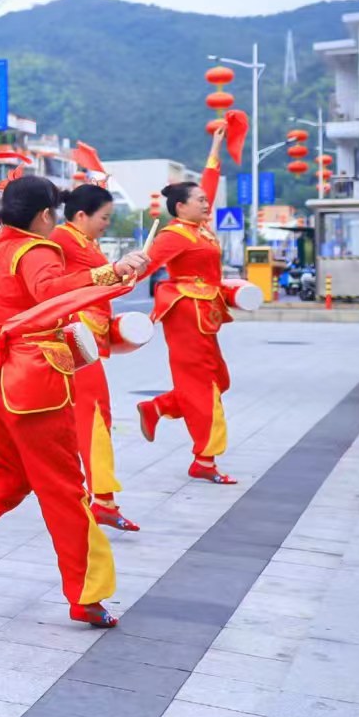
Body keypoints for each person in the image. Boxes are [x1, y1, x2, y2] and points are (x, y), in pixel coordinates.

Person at [0, 175, 134, 627]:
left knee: (9, 469)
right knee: (63, 488)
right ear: (44, 215)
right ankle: (86, 593)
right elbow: (50, 292)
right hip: (31, 381)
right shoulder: (36, 250)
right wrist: (110, 272)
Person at [137, 127, 237, 482]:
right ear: (181, 207)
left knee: (218, 380)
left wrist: (215, 144)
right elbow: (141, 268)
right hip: (184, 314)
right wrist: (99, 284)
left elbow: (208, 183)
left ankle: (159, 406)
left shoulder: (202, 229)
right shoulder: (173, 235)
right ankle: (205, 459)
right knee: (203, 386)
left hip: (207, 313)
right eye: (200, 202)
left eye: (205, 202)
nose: (206, 203)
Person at [56, 184, 137, 531]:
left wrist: (126, 272)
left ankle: (90, 493)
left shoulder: (84, 241)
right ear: (80, 215)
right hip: (73, 339)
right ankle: (102, 498)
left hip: (89, 338)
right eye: (103, 217)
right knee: (93, 416)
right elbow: (56, 285)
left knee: (91, 415)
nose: (107, 224)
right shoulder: (60, 238)